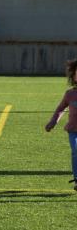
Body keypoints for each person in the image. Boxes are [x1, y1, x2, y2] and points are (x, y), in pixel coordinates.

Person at [45, 59, 77, 191]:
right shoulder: (70, 94)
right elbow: (60, 108)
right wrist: (53, 121)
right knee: (76, 151)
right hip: (73, 130)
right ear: (73, 76)